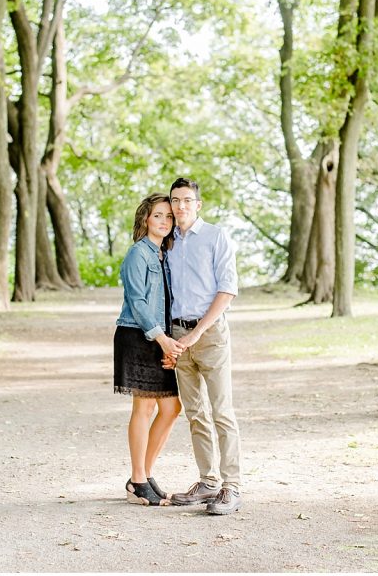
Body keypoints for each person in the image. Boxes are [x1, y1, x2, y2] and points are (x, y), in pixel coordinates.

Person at [163, 177, 242, 515]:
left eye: (187, 200)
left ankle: (232, 486)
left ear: (198, 204)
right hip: (177, 337)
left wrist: (197, 333)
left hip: (208, 336)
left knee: (221, 411)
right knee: (195, 414)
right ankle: (207, 481)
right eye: (175, 200)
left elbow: (227, 290)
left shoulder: (215, 236)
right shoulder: (166, 242)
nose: (181, 206)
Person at [114, 193, 186, 506]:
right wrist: (161, 339)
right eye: (158, 215)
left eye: (169, 217)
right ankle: (138, 479)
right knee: (143, 408)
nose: (164, 221)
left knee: (171, 408)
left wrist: (169, 341)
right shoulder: (138, 254)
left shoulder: (163, 256)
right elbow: (137, 302)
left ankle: (143, 474)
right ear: (146, 219)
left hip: (160, 338)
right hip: (136, 335)